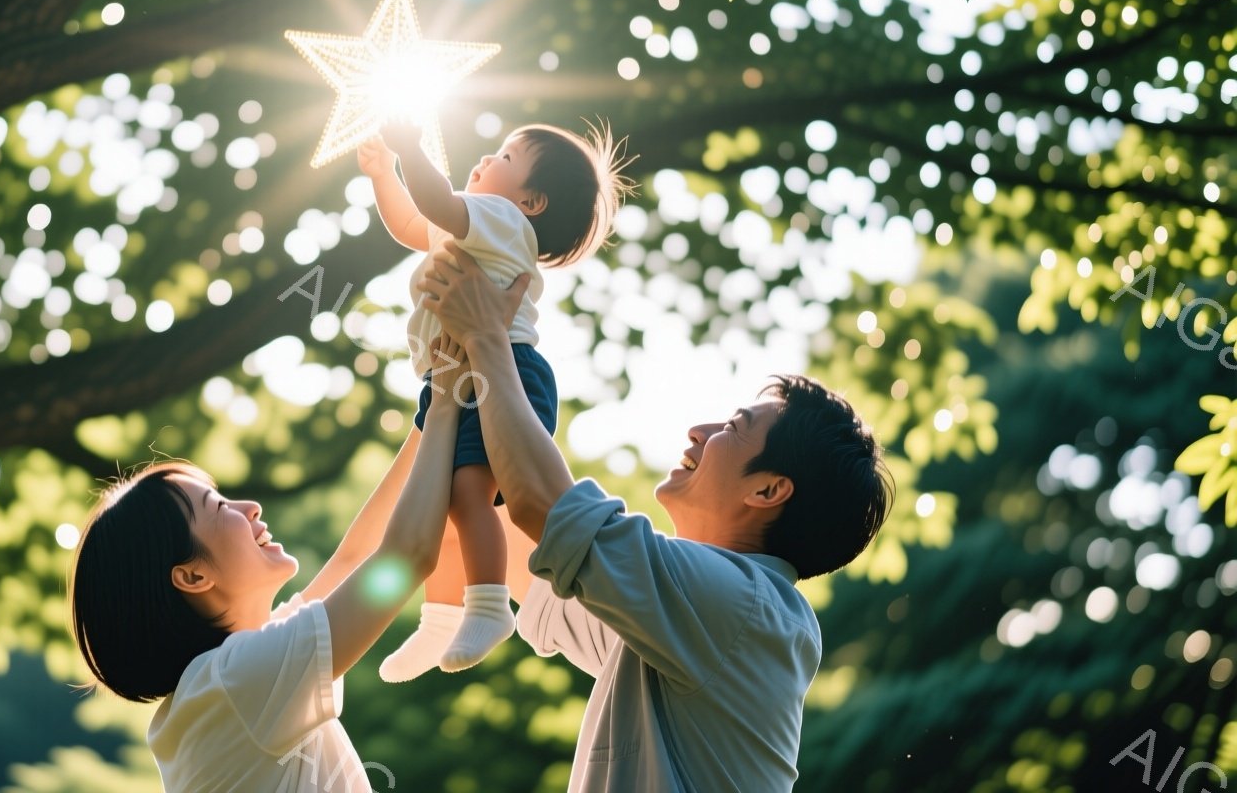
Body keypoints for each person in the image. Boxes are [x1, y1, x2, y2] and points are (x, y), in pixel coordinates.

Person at [417, 244, 896, 792]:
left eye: (734, 428)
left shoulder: (743, 608)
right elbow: (509, 531)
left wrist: (488, 338)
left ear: (768, 489)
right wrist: (455, 384)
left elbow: (542, 507)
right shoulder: (672, 617)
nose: (699, 430)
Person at [67, 334, 489, 793]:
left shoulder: (228, 682)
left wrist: (434, 403)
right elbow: (405, 557)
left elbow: (356, 559)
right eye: (218, 507)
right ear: (192, 575)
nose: (250, 507)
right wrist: (446, 402)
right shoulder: (238, 683)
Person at [356, 118, 635, 681]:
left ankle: (488, 605)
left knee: (465, 494)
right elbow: (413, 222)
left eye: (506, 157)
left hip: (501, 375)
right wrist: (384, 176)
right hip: (460, 377)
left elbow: (432, 201)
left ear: (530, 201)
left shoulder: (500, 220)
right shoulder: (473, 224)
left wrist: (409, 146)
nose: (487, 156)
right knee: (441, 499)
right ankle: (439, 617)